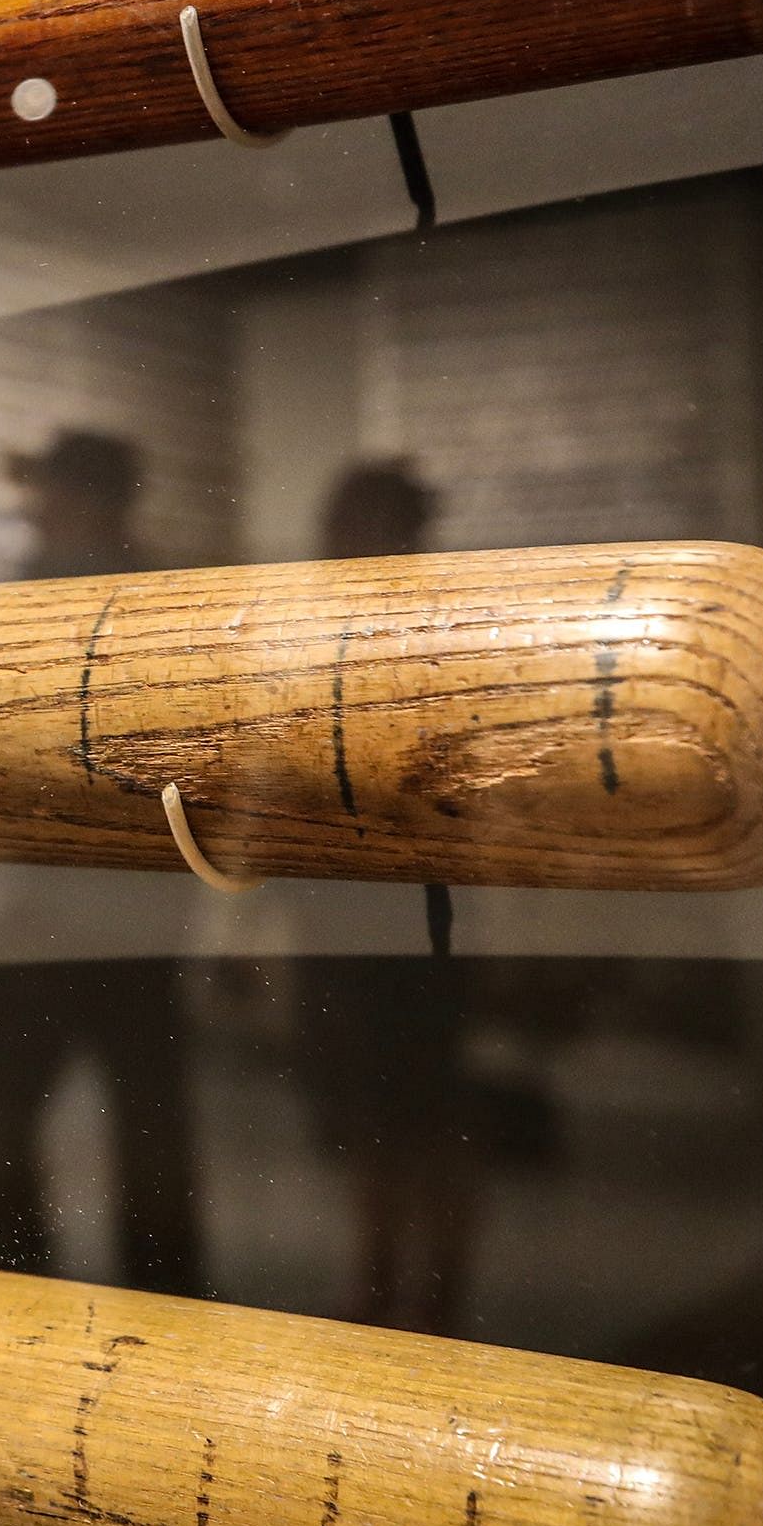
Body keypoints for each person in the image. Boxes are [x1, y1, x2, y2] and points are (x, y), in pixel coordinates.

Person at [0, 429, 207, 1297]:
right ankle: (131, 1301)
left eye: (51, 492)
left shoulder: (87, 601)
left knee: (129, 1122)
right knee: (127, 1120)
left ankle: (41, 1300)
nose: (35, 510)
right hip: (80, 906)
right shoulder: (144, 598)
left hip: (85, 908)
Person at [289, 458, 487, 1332]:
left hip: (417, 913)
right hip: (342, 912)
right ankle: (380, 1280)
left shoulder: (431, 636)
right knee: (371, 1112)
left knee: (421, 1109)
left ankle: (431, 1290)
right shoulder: (325, 633)